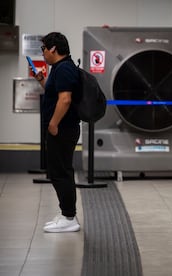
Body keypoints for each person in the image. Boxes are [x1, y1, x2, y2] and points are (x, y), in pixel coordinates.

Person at [34, 32, 82, 233]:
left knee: (60, 172)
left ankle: (69, 217)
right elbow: (56, 94)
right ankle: (67, 214)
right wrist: (42, 81)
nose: (43, 53)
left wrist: (53, 124)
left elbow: (65, 100)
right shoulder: (61, 68)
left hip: (62, 129)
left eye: (43, 49)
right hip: (62, 129)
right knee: (60, 171)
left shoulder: (64, 69)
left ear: (53, 49)